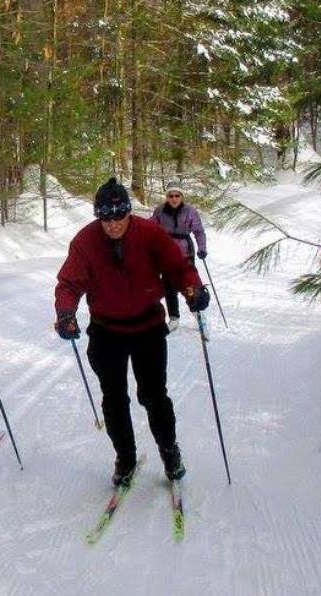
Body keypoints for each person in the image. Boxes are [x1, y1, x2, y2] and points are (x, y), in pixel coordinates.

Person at [53, 178, 210, 485]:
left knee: (153, 395)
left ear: (128, 212)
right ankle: (125, 457)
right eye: (105, 218)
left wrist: (193, 289)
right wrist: (66, 312)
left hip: (148, 326)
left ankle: (169, 450)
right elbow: (69, 283)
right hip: (106, 330)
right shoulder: (85, 241)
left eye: (119, 217)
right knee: (113, 399)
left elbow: (178, 267)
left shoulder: (150, 233)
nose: (112, 224)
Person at [150, 181, 207, 331]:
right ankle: (174, 318)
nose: (174, 199)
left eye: (177, 195)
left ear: (182, 196)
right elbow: (150, 228)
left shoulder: (190, 211)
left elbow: (199, 231)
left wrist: (202, 248)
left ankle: (198, 313)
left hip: (185, 252)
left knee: (188, 284)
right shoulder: (160, 211)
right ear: (167, 197)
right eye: (171, 195)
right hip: (166, 252)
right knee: (169, 286)